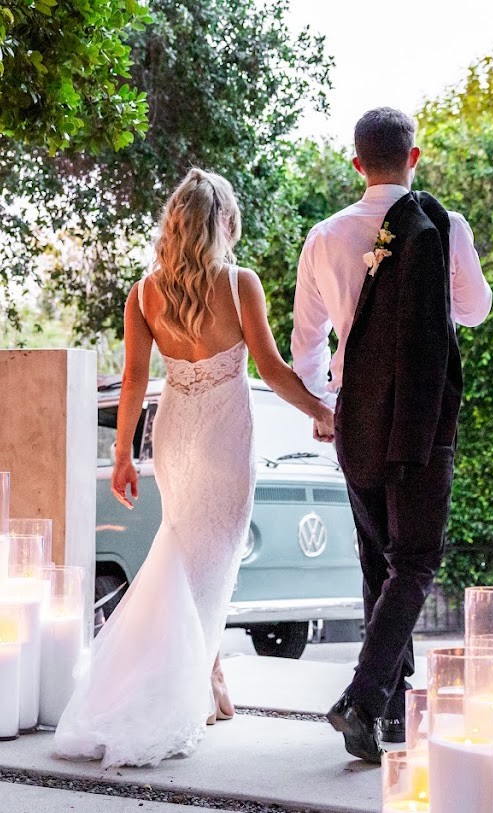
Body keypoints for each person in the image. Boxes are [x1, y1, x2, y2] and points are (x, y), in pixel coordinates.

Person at [54, 167, 333, 768]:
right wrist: (320, 410)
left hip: (173, 437)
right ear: (221, 223)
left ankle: (210, 682)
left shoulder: (144, 292)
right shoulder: (240, 285)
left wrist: (124, 451)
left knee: (185, 557)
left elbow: (133, 378)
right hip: (224, 438)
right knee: (212, 561)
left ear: (174, 226)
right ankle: (191, 688)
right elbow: (272, 369)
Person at [291, 107, 492, 763]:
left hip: (357, 419)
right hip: (419, 418)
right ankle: (364, 699)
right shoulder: (445, 224)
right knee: (415, 560)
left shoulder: (324, 235)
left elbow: (306, 349)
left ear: (356, 162)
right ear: (414, 158)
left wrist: (327, 405)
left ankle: (388, 719)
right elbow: (473, 311)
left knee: (380, 563)